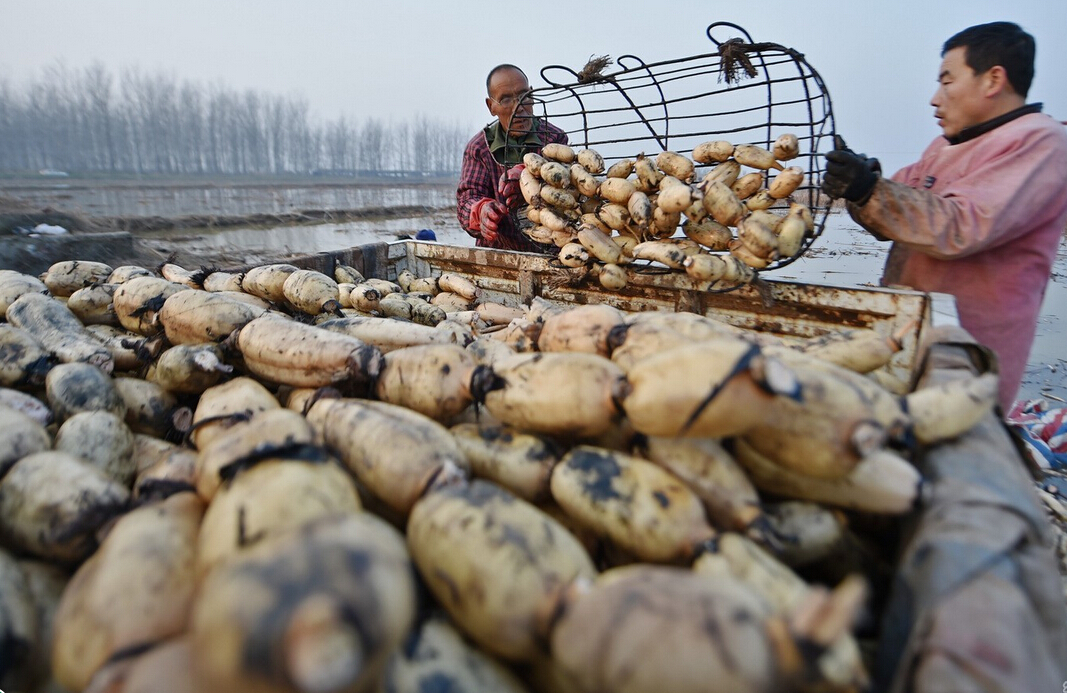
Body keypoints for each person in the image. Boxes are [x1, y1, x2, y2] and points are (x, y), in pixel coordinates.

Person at [822, 21, 1067, 411]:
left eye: (947, 82)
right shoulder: (945, 146)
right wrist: (860, 181)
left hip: (967, 357)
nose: (935, 99)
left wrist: (869, 189)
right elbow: (895, 210)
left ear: (993, 80)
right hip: (908, 332)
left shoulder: (1041, 141)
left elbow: (961, 227)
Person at [457, 64, 568, 252]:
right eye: (506, 99)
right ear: (491, 106)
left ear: (532, 95)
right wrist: (481, 211)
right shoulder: (479, 149)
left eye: (524, 96)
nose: (519, 108)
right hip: (499, 252)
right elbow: (467, 200)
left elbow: (566, 188)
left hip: (550, 250)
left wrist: (527, 175)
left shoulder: (554, 139)